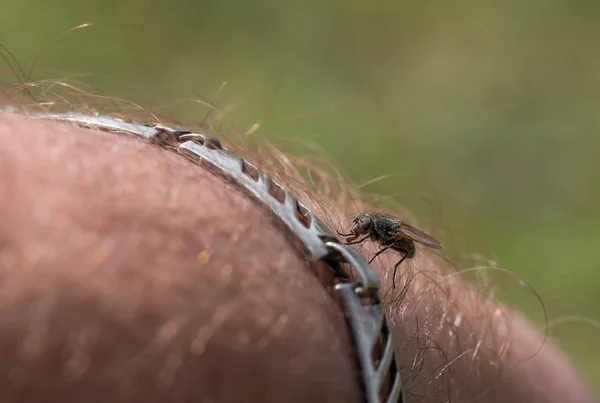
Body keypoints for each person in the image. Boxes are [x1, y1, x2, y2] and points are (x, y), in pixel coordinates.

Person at [0, 109, 594, 403]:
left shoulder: (387, 239)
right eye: (368, 231)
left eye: (370, 231)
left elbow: (396, 242)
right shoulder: (370, 236)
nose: (367, 231)